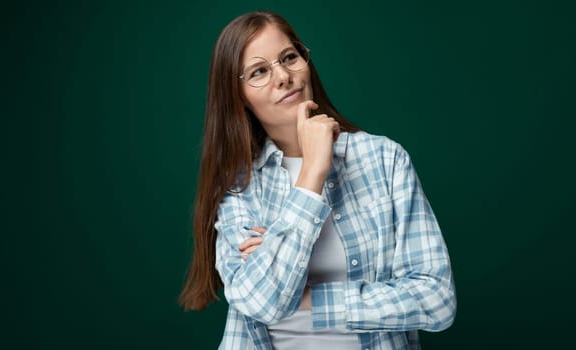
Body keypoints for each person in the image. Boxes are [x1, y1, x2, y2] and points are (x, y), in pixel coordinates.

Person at [179, 10, 456, 350]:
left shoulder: (384, 160)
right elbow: (261, 303)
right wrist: (312, 173)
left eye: (289, 57)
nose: (283, 76)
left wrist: (308, 296)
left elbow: (437, 300)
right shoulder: (238, 187)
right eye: (259, 72)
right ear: (238, 98)